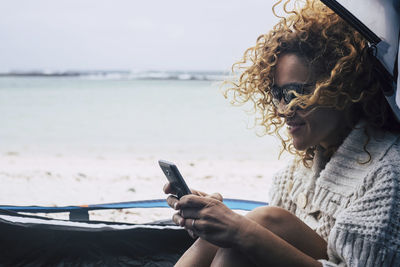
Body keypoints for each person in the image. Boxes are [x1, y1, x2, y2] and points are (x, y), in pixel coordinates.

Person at [163, 0, 400, 266]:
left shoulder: (388, 173)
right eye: (277, 94)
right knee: (228, 235)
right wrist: (218, 221)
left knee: (259, 225)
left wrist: (240, 230)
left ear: (341, 89)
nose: (283, 109)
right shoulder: (294, 174)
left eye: (296, 93)